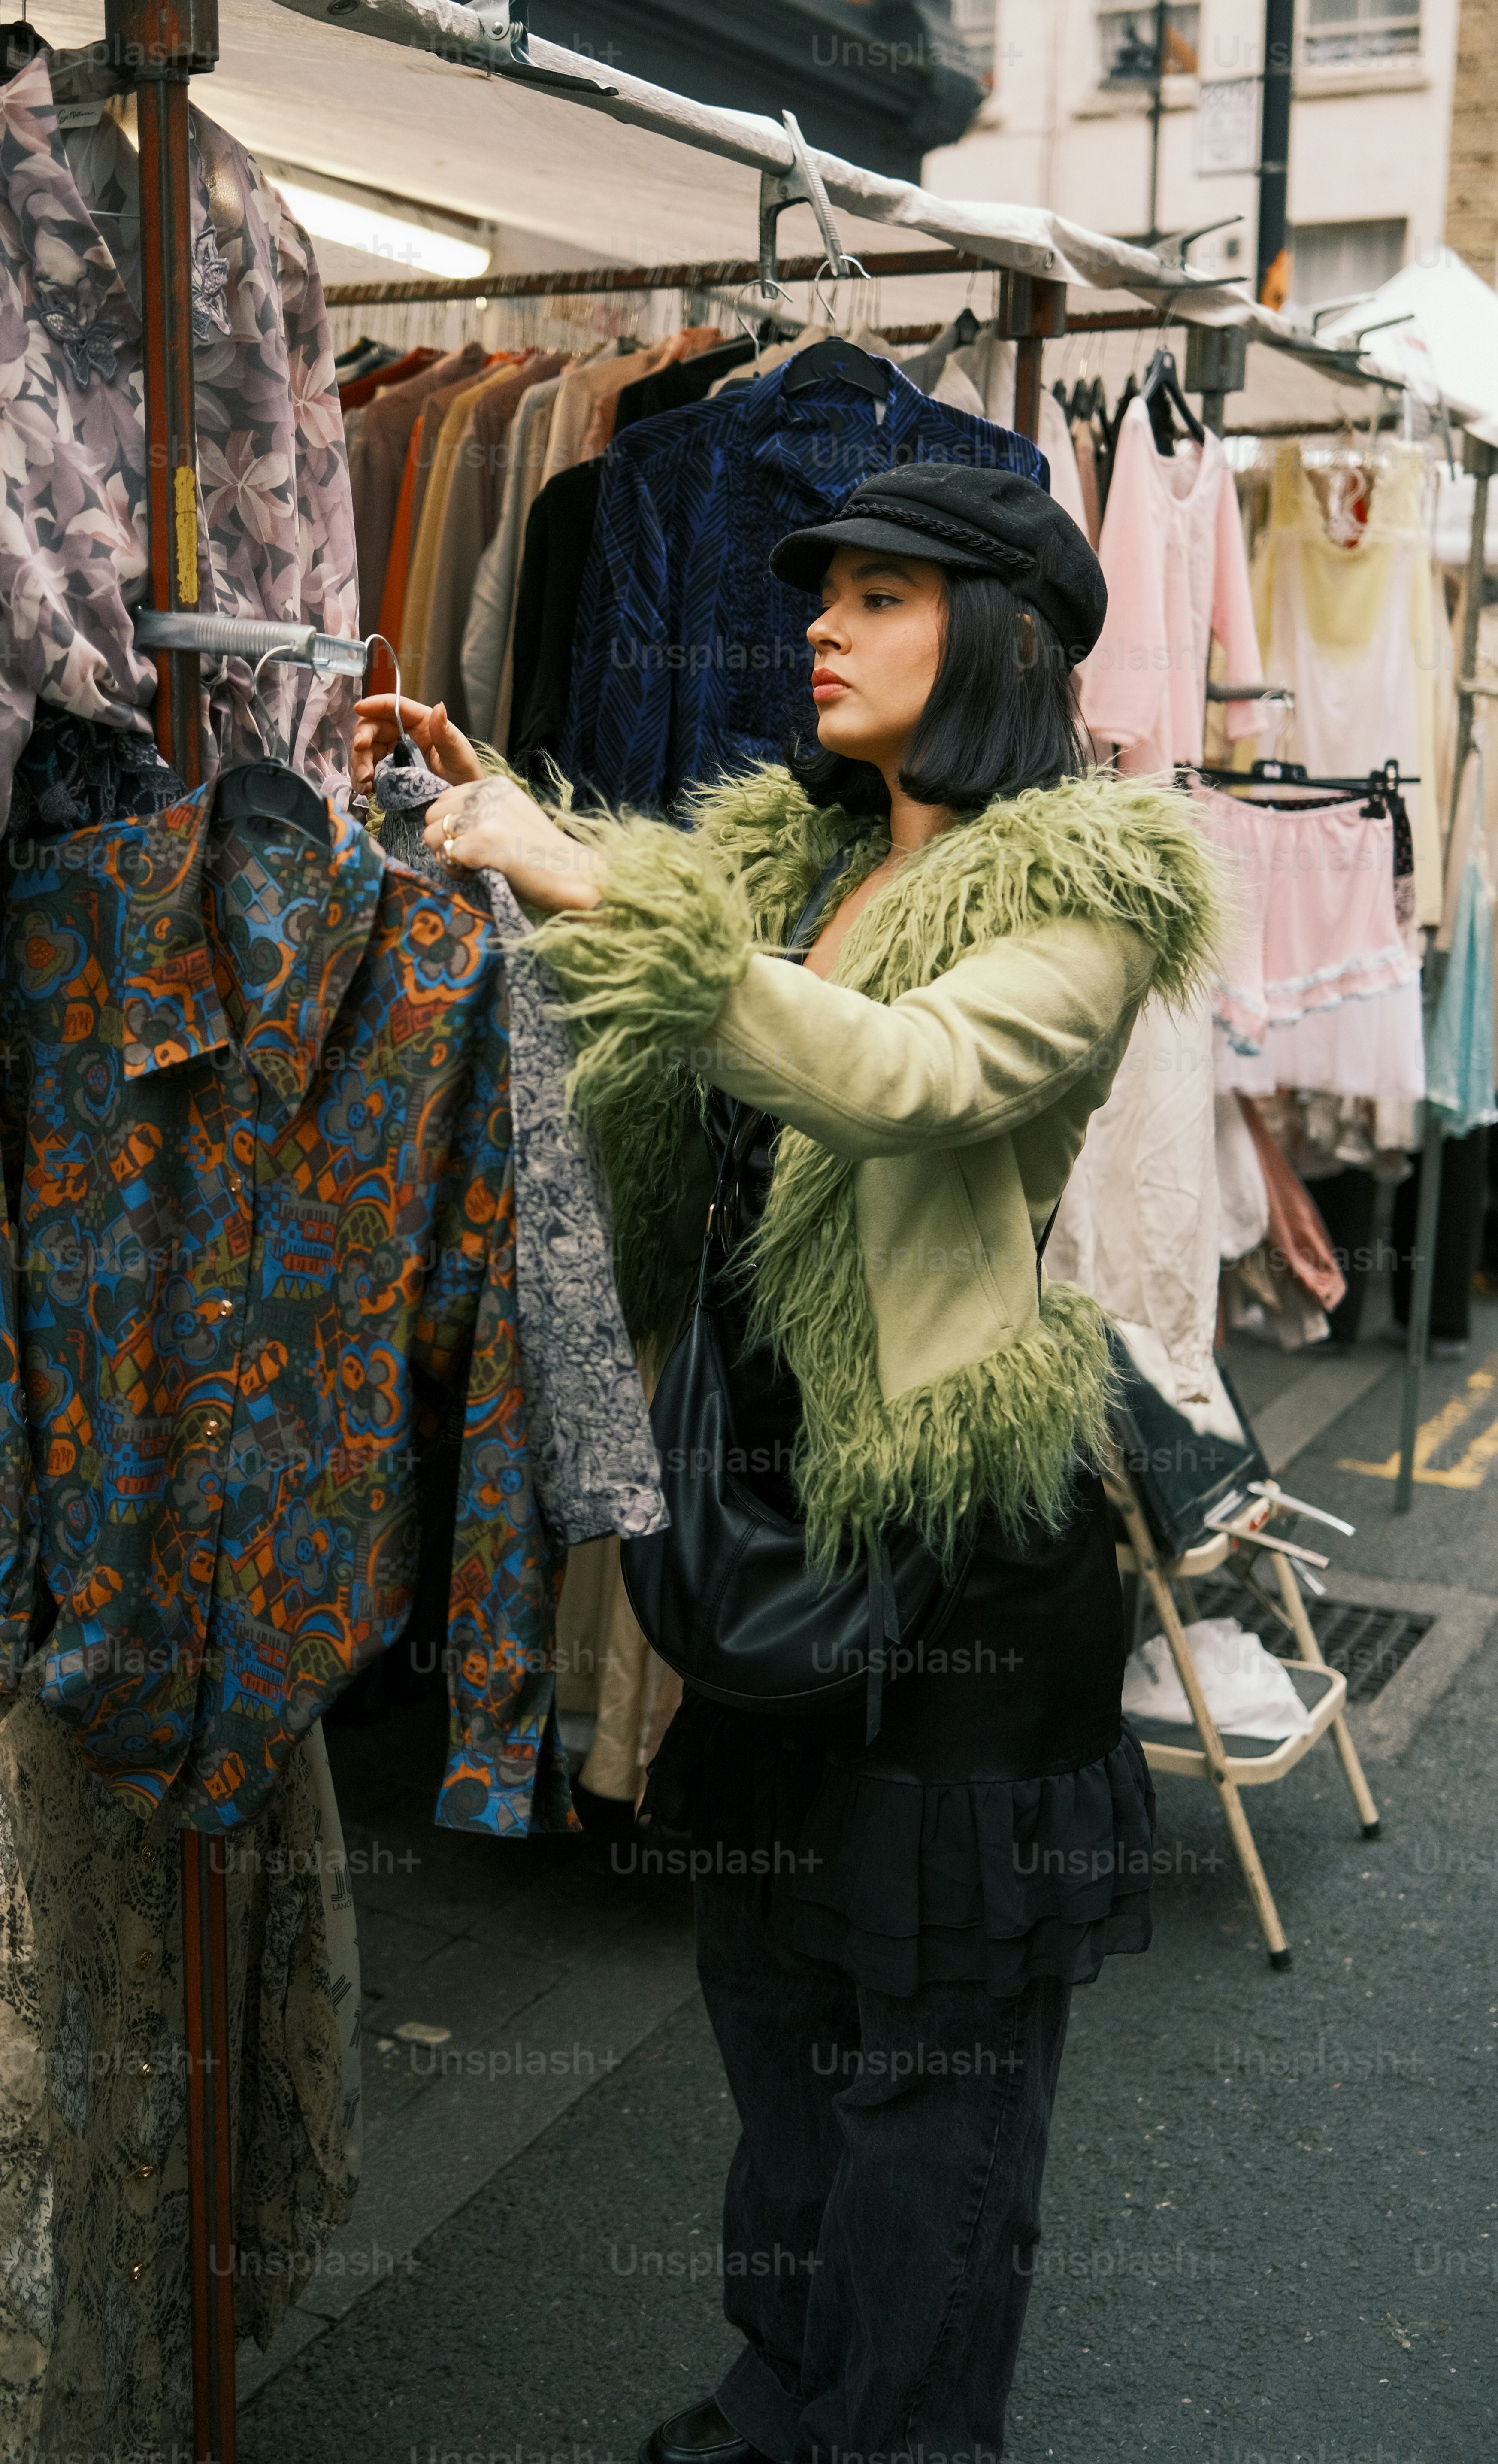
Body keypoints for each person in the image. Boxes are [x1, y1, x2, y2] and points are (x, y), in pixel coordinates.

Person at [351, 463, 1220, 2464]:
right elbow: (694, 975)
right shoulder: (795, 855)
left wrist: (593, 887)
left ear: (1000, 634)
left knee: (930, 2095)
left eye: (880, 593)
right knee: (774, 2023)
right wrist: (519, 815)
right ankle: (779, 2402)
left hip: (958, 1578)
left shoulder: (1080, 889)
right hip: (765, 1533)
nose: (820, 623)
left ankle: (894, 2438)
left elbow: (903, 1072)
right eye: (821, 589)